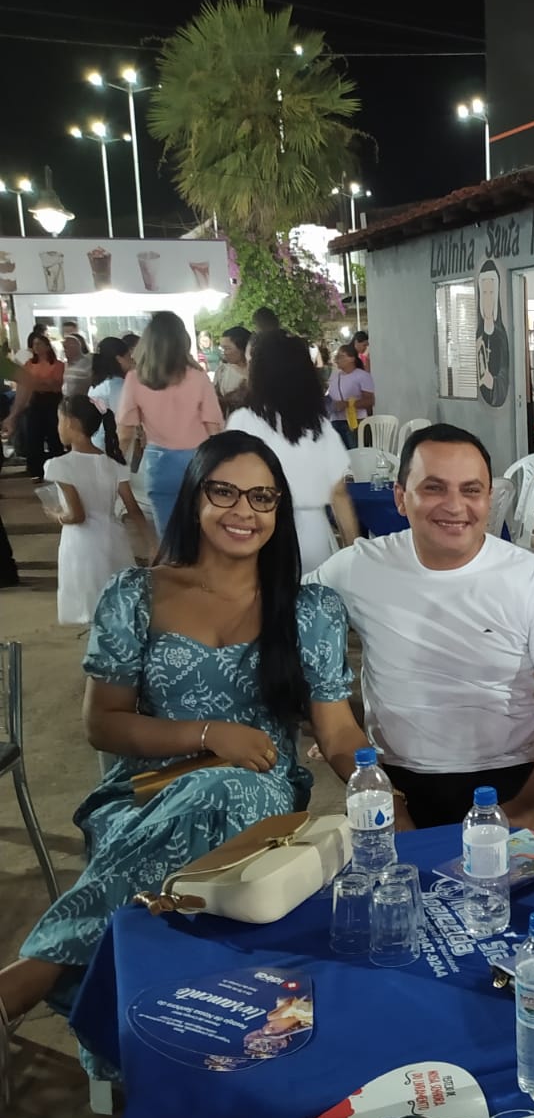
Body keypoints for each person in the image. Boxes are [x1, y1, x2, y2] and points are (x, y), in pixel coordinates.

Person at [0, 431, 370, 1080]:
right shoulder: (136, 594)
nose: (244, 511)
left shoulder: (308, 608)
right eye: (224, 492)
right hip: (143, 795)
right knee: (215, 795)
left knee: (233, 791)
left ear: (279, 511)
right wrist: (207, 734)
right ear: (195, 498)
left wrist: (383, 796)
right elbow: (102, 723)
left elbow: (337, 734)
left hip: (263, 794)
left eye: (263, 498)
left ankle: (35, 975)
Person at [309, 423, 534, 829]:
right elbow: (284, 613)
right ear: (400, 498)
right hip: (394, 776)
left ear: (488, 499)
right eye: (434, 488)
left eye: (471, 490)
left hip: (507, 775)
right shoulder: (357, 568)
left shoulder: (529, 577)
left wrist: (532, 804)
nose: (455, 506)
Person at [227, 330, 359, 574]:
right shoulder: (319, 426)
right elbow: (339, 494)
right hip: (315, 538)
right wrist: (353, 554)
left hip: (260, 534)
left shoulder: (243, 421)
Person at [117, 310, 222, 537]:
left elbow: (125, 433)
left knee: (168, 536)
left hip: (158, 463)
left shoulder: (135, 379)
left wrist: (115, 468)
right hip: (199, 462)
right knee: (201, 534)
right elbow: (214, 428)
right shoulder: (198, 377)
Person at [43, 397, 144, 625]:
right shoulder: (114, 464)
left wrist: (57, 515)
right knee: (117, 604)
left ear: (70, 423)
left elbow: (77, 516)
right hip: (115, 539)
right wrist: (152, 543)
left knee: (91, 606)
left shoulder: (59, 465)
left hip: (82, 545)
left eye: (59, 420)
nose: (58, 427)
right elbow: (134, 510)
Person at [3, 332, 64, 480]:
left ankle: (57, 470)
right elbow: (26, 383)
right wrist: (39, 384)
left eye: (39, 344)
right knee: (34, 435)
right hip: (34, 400)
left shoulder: (57, 364)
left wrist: (37, 383)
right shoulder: (29, 364)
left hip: (51, 400)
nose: (36, 347)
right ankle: (36, 470)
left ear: (47, 346)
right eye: (34, 344)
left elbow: (54, 384)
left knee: (53, 434)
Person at [88, 335, 135, 447]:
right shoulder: (117, 387)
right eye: (128, 356)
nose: (132, 360)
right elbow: (124, 429)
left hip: (96, 442)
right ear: (119, 359)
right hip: (111, 447)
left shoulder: (97, 384)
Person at [475, 259, 510, 408]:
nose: (488, 299)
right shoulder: (479, 334)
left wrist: (493, 383)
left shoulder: (501, 335)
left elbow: (504, 373)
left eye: (491, 293)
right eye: (484, 293)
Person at [326, 343, 375, 448]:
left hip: (355, 422)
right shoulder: (334, 376)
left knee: (356, 451)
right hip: (336, 421)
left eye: (341, 356)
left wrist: (347, 404)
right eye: (336, 356)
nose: (337, 359)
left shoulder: (362, 376)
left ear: (352, 359)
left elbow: (370, 400)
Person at [212, 326, 250, 415]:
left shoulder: (258, 371)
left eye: (227, 348)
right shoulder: (222, 371)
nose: (224, 352)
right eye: (222, 349)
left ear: (242, 348)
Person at [61, 332, 92, 399]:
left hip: (82, 400)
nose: (64, 351)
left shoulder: (87, 363)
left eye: (66, 347)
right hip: (69, 400)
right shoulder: (67, 364)